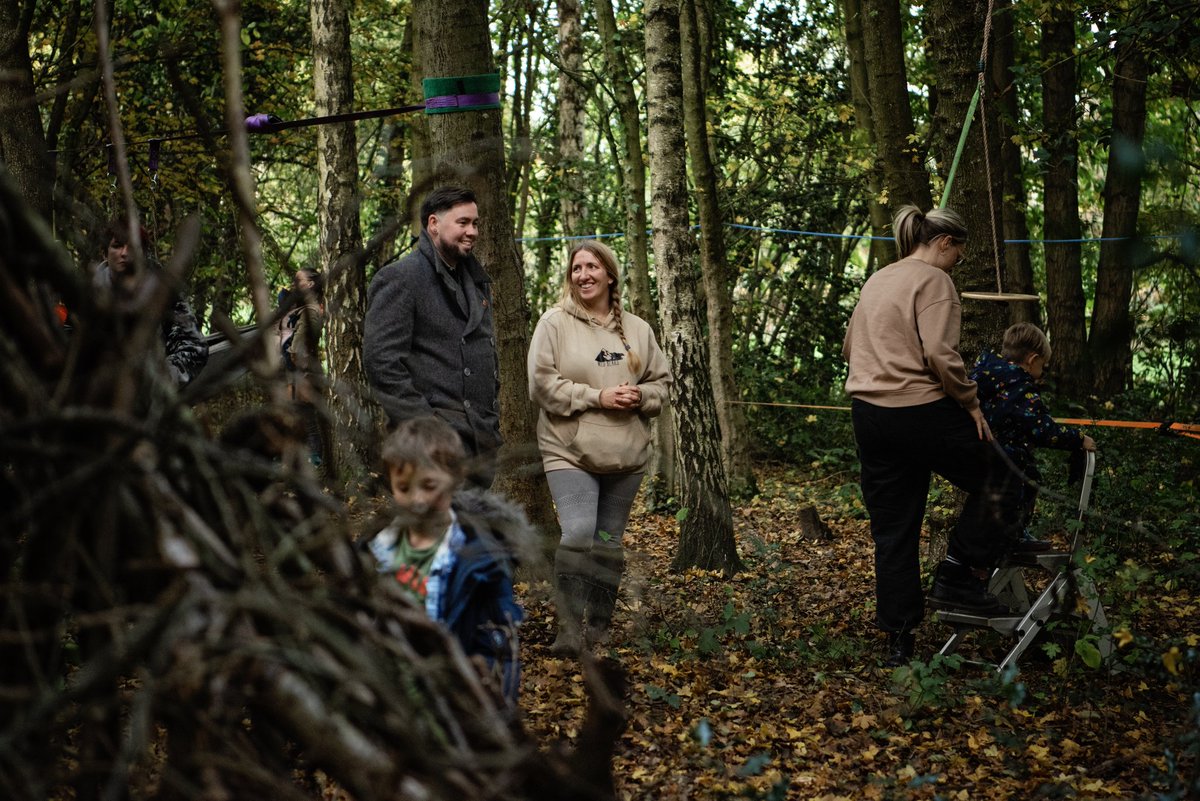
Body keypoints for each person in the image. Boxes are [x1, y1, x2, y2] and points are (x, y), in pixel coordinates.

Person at [843, 205, 1022, 667]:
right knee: (1004, 481)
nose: (957, 263)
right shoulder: (936, 282)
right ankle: (958, 576)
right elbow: (942, 355)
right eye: (958, 253)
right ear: (945, 243)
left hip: (868, 414)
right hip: (919, 409)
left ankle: (898, 641)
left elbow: (850, 345)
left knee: (894, 529)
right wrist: (970, 401)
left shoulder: (879, 278)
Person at [527, 240, 672, 655]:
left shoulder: (639, 329)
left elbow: (661, 383)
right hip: (568, 449)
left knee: (608, 539)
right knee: (577, 531)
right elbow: (541, 386)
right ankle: (568, 630)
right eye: (577, 268)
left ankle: (600, 627)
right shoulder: (554, 323)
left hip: (625, 455)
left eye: (592, 267)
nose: (584, 275)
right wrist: (598, 397)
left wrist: (641, 397)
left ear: (610, 275)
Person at [365, 416, 527, 707]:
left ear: (456, 477)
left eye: (429, 485)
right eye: (404, 488)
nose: (418, 500)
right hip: (393, 702)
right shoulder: (376, 552)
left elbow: (500, 648)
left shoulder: (483, 559)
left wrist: (497, 710)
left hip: (458, 702)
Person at [363, 186, 500, 485]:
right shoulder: (399, 278)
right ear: (433, 224)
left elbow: (486, 353)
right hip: (427, 450)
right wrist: (429, 430)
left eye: (475, 223)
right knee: (433, 531)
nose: (472, 231)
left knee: (467, 531)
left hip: (480, 441)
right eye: (462, 222)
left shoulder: (478, 283)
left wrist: (491, 417)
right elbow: (381, 363)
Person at [970, 322, 1097, 544]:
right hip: (1007, 456)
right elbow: (1042, 429)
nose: (1042, 371)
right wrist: (1078, 438)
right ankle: (1014, 533)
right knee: (1028, 482)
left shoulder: (986, 374)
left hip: (980, 452)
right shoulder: (1020, 386)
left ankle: (1002, 534)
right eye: (1043, 365)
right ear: (1031, 359)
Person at [93, 217, 208, 388]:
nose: (125, 253)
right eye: (117, 246)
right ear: (105, 252)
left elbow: (194, 346)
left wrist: (161, 380)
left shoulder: (163, 293)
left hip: (149, 396)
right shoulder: (87, 293)